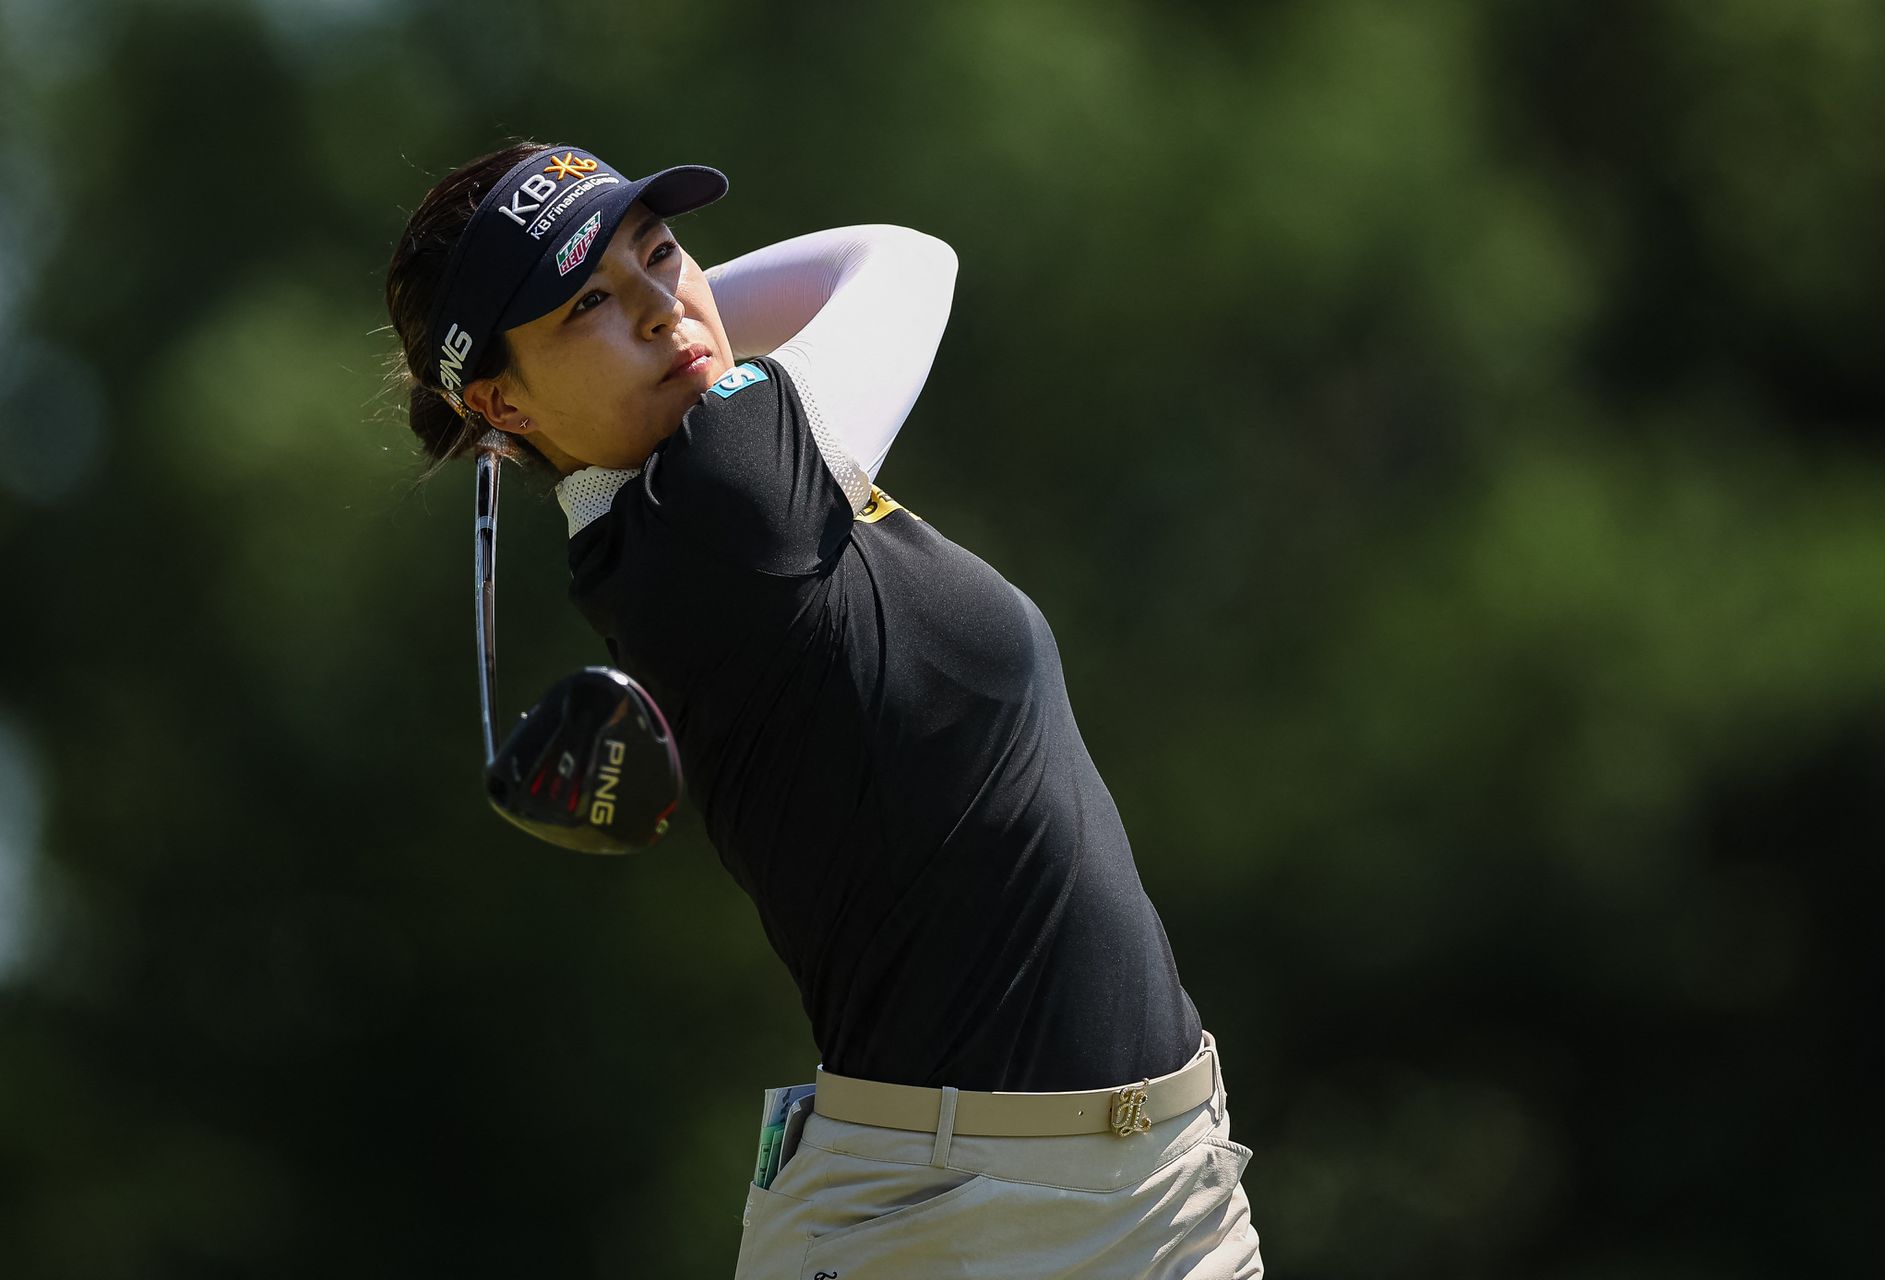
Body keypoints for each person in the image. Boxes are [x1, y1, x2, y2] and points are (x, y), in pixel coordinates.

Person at [384, 140, 1264, 1279]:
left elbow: (822, 285)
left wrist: (631, 334)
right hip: (958, 1227)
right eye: (586, 304)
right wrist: (682, 328)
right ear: (501, 395)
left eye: (662, 253)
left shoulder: (678, 510)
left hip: (1161, 1189)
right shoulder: (729, 503)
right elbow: (898, 261)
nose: (660, 308)